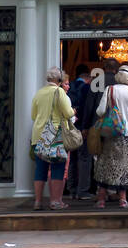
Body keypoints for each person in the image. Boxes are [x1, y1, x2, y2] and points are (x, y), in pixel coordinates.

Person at [31, 65, 75, 210]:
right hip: (55, 136)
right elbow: (68, 113)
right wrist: (73, 111)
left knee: (40, 169)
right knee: (57, 168)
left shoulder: (39, 93)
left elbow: (33, 115)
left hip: (38, 135)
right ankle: (55, 201)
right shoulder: (59, 92)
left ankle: (37, 201)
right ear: (59, 79)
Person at [95, 64, 128, 209]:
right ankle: (123, 200)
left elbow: (100, 111)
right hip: (126, 134)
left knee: (105, 164)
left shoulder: (110, 89)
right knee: (124, 166)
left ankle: (101, 199)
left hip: (110, 132)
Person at [66, 63, 98, 201]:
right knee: (84, 158)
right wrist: (86, 127)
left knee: (72, 158)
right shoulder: (87, 88)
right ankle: (83, 191)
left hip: (69, 127)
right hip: (82, 128)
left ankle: (71, 189)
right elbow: (88, 108)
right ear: (87, 77)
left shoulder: (69, 86)